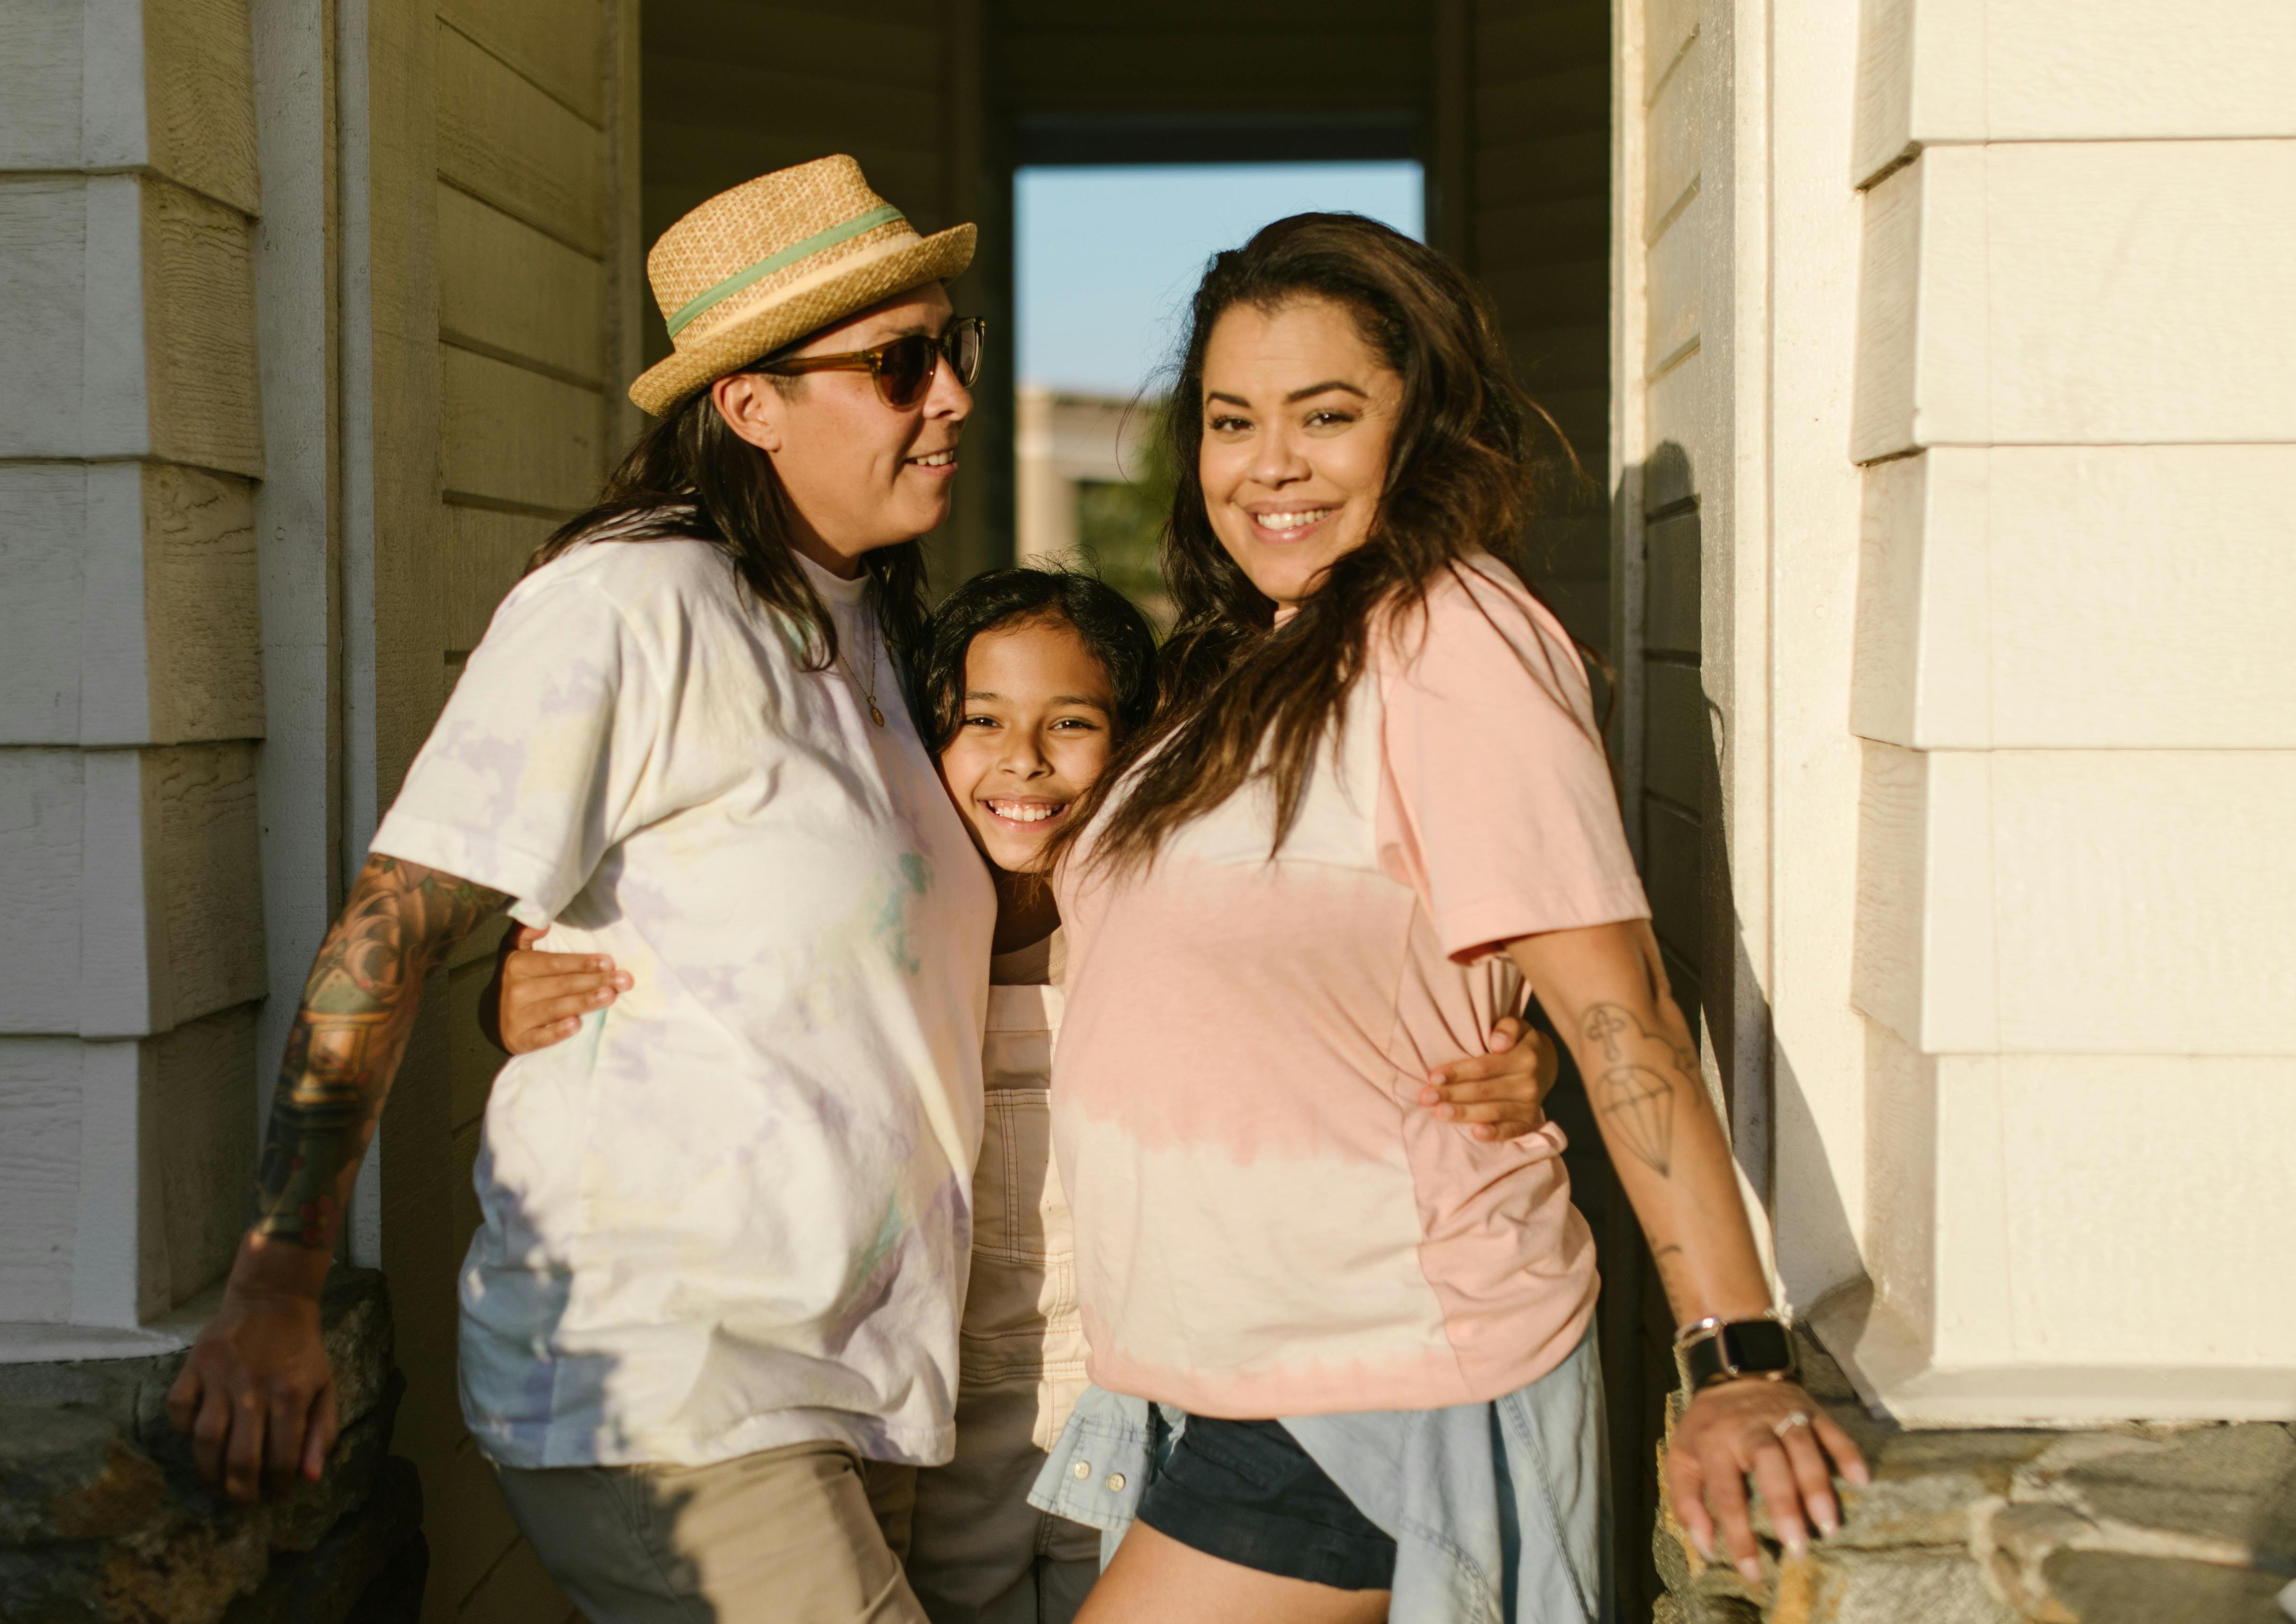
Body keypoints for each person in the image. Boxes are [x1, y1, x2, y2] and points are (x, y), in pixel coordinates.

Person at [169, 155, 1004, 1623]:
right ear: (749, 404)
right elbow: (389, 926)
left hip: (850, 1376)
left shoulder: (858, 620)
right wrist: (274, 1294)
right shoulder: (632, 603)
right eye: (900, 362)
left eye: (954, 350)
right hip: (670, 1381)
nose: (949, 395)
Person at [1019, 214, 1870, 1624]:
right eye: (1231, 421)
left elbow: (1619, 1006)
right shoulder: (1252, 659)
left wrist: (1734, 1357)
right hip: (1221, 1371)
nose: (1267, 464)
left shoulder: (1446, 635)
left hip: (1374, 1371)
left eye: (1326, 415)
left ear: (1421, 430)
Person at [492, 566, 1563, 1624]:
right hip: (946, 1402)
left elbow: (1327, 1016)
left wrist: (1532, 1059)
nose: (1023, 762)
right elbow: (729, 987)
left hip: (1140, 1392)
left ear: (1135, 739)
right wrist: (518, 993)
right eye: (983, 722)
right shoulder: (889, 912)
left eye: (1071, 724)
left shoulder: (1157, 914)